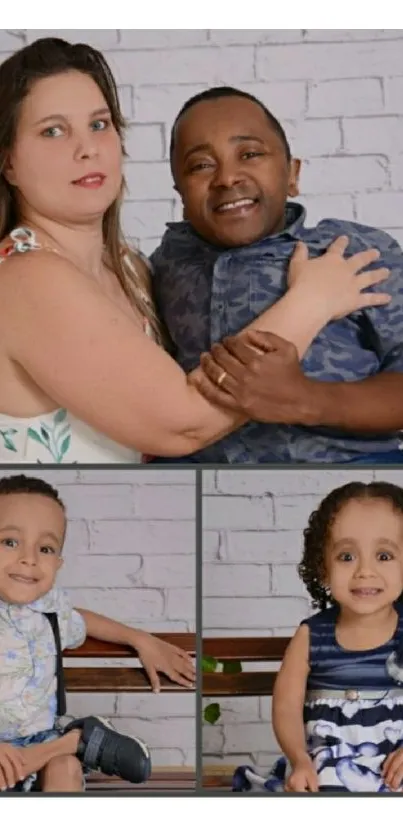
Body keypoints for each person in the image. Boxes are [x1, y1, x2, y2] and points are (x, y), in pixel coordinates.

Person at [0, 40, 390, 465]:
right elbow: (184, 423)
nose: (87, 148)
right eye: (52, 131)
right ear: (9, 163)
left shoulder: (133, 269)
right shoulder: (25, 278)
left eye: (99, 124)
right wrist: (312, 302)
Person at [151, 86, 403, 464]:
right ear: (181, 194)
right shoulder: (166, 264)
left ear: (292, 175)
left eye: (250, 154)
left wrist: (307, 399)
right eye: (201, 165)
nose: (227, 177)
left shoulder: (350, 251)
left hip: (346, 462)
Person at [0, 473, 195, 792]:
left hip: (40, 746)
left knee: (64, 770)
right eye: (10, 542)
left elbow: (83, 621)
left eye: (46, 549)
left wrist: (140, 639)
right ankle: (78, 740)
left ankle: (68, 747)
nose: (29, 559)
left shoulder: (50, 612)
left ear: (58, 563)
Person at [233, 481, 403, 794]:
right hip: (328, 761)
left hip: (396, 762)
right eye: (347, 557)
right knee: (326, 784)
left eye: (383, 555)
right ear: (323, 567)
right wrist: (299, 759)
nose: (365, 571)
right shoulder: (312, 636)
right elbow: (286, 706)